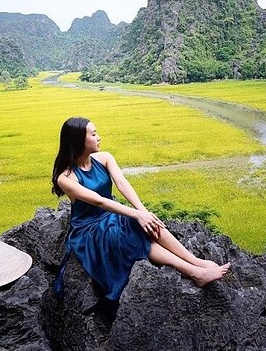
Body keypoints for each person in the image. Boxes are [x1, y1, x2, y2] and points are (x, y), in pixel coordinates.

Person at [52, 116, 230, 301]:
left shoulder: (104, 157)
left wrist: (143, 212)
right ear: (78, 139)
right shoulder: (66, 178)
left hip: (112, 215)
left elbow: (122, 183)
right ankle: (194, 273)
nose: (99, 137)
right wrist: (136, 214)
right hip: (90, 228)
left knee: (147, 222)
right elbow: (99, 201)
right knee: (129, 233)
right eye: (94, 134)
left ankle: (196, 261)